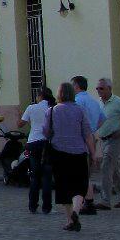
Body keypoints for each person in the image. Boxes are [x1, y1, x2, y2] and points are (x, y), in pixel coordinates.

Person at [47, 81, 95, 232]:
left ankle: (69, 220)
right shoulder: (79, 110)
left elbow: (46, 131)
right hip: (79, 153)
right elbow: (87, 134)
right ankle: (76, 212)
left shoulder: (52, 111)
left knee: (63, 187)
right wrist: (93, 152)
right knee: (79, 185)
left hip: (59, 153)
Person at [94, 79, 120, 209]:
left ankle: (105, 200)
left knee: (105, 166)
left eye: (102, 88)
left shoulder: (118, 102)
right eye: (97, 89)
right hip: (103, 139)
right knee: (114, 170)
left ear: (109, 88)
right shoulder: (99, 103)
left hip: (115, 139)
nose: (99, 91)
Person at [70, 75, 106, 214]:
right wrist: (93, 130)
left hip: (79, 140)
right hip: (90, 137)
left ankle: (86, 202)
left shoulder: (77, 101)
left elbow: (75, 120)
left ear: (76, 86)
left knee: (80, 173)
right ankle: (88, 201)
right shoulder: (93, 101)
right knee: (86, 172)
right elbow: (103, 119)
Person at [20, 87, 55, 215]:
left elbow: (21, 124)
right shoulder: (53, 108)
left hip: (33, 142)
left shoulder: (31, 108)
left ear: (40, 96)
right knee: (47, 176)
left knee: (35, 175)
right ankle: (47, 206)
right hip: (48, 143)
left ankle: (32, 205)